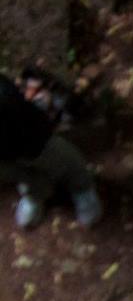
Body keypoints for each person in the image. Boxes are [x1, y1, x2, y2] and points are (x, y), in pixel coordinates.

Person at [0, 68, 100, 230]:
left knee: (62, 160)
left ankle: (82, 188)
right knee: (21, 175)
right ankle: (36, 193)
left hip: (26, 137)